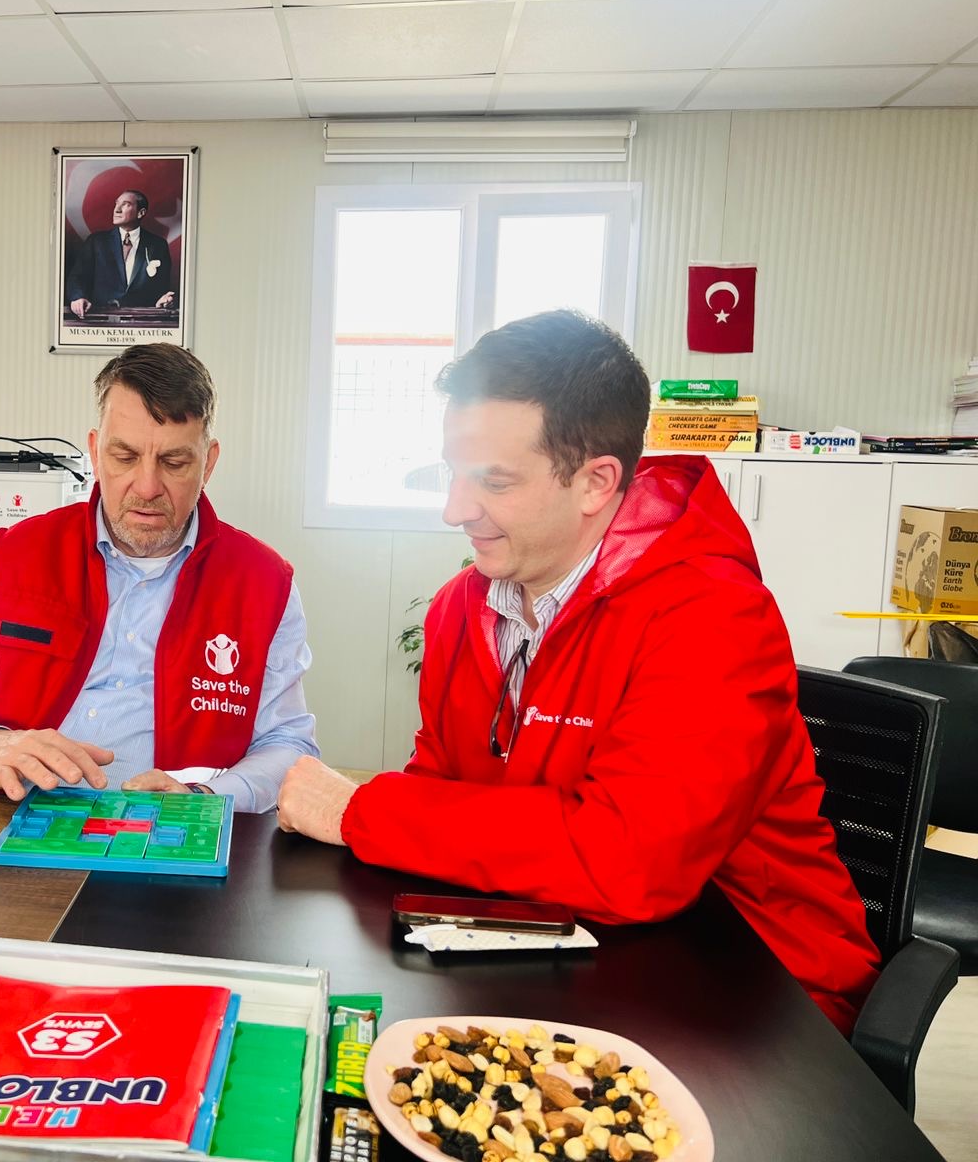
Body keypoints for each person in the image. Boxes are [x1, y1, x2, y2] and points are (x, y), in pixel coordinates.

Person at [276, 309, 879, 1033]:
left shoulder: (714, 618)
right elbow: (441, 790)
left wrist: (362, 811)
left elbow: (626, 863)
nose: (452, 509)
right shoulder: (460, 610)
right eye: (451, 473)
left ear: (595, 482)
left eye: (492, 482)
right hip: (561, 957)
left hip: (755, 1003)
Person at [0, 343, 315, 812]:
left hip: (175, 847)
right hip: (19, 828)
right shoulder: (15, 556)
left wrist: (206, 797)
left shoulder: (263, 584)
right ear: (96, 451)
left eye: (174, 463)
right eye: (124, 456)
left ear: (209, 463)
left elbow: (289, 745)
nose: (146, 486)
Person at [65, 190, 178, 318]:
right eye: (117, 204)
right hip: (100, 319)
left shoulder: (158, 245)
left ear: (141, 213)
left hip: (141, 320)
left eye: (125, 204)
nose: (117, 210)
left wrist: (162, 300)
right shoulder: (96, 241)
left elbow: (161, 287)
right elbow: (77, 276)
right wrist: (78, 297)